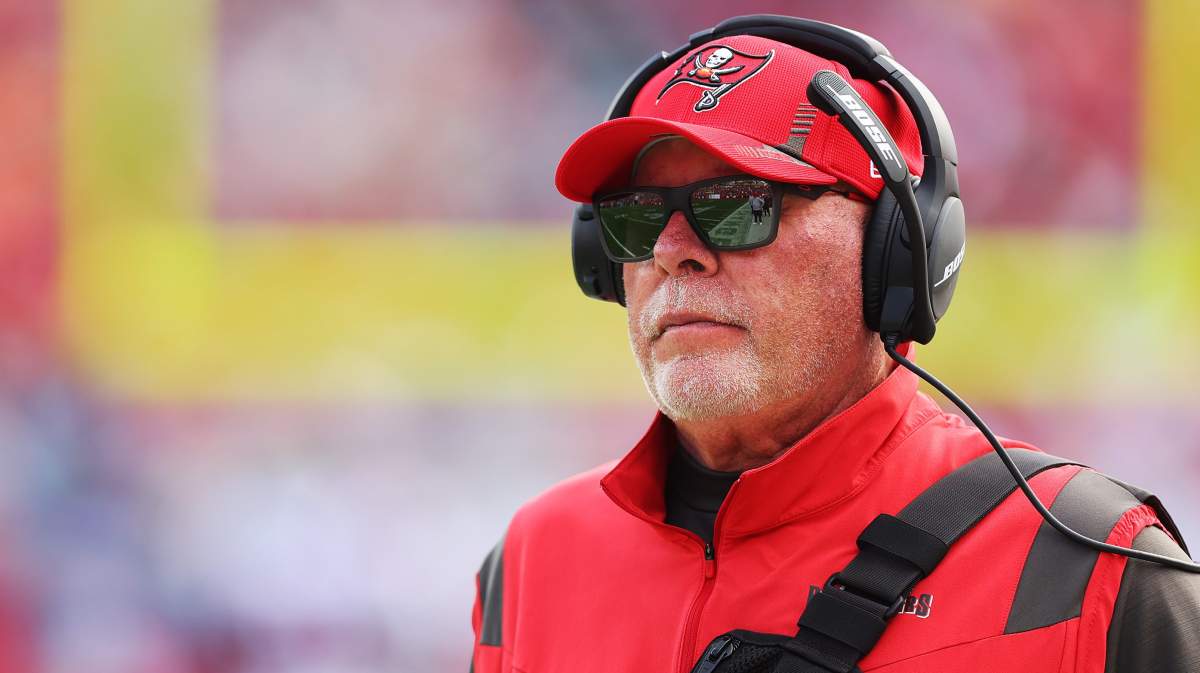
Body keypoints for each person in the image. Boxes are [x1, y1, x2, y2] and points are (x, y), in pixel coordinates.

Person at [470, 22, 1200, 673]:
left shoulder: (1091, 569)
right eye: (635, 218)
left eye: (739, 206)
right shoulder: (534, 560)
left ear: (895, 248)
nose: (670, 250)